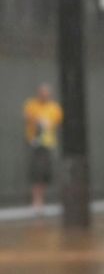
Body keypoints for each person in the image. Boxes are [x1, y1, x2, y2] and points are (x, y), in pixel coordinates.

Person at [22, 82, 61, 214]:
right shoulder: (31, 105)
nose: (44, 95)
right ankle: (35, 202)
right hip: (34, 144)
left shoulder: (54, 108)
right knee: (35, 173)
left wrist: (44, 122)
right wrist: (38, 120)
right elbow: (27, 116)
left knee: (44, 173)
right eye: (42, 93)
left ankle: (41, 202)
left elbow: (53, 123)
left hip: (47, 144)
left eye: (46, 93)